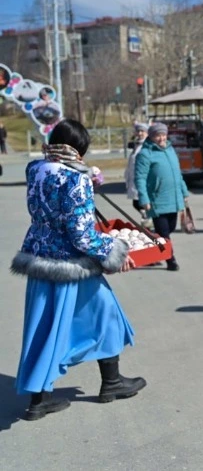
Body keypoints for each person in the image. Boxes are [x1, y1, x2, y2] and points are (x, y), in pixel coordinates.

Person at [10, 120, 145, 421]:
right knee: (106, 314)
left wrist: (87, 179)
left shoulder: (34, 169)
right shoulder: (76, 179)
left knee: (43, 327)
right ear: (78, 149)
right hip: (72, 265)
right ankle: (111, 382)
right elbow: (82, 235)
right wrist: (114, 250)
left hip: (38, 257)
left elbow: (55, 194)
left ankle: (39, 399)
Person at [134, 123, 189, 272]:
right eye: (157, 135)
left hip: (173, 198)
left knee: (169, 228)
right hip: (156, 199)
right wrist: (144, 199)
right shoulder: (145, 154)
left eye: (163, 135)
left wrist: (184, 192)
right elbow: (140, 178)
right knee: (164, 232)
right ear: (151, 137)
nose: (161, 138)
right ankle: (171, 260)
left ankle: (153, 248)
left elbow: (178, 174)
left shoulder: (170, 150)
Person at [124, 123, 149, 214]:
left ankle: (148, 219)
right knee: (137, 203)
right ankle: (147, 219)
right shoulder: (138, 144)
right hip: (135, 179)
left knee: (141, 203)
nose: (140, 133)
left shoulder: (147, 145)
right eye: (138, 131)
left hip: (143, 179)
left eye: (142, 131)